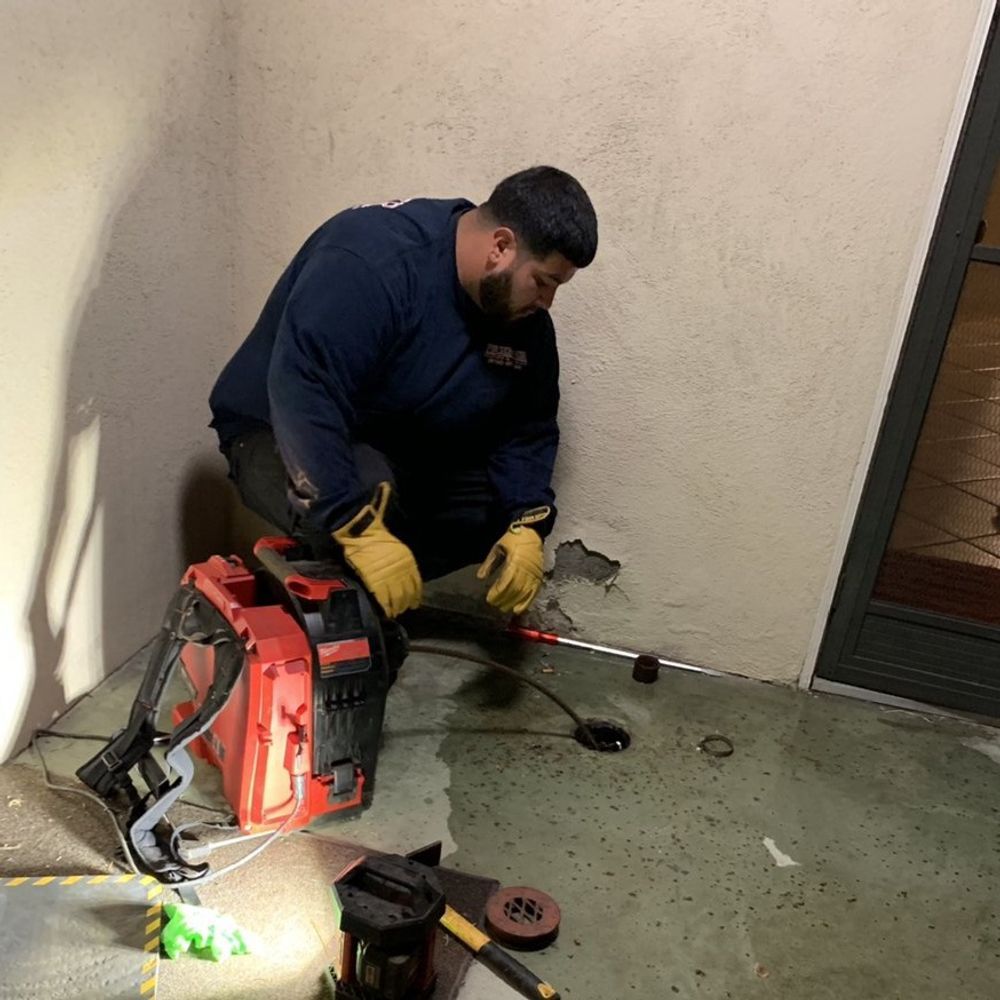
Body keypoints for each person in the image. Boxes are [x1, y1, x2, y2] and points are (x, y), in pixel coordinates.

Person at [209, 166, 598, 620]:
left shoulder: (523, 322)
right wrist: (352, 524)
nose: (548, 302)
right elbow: (305, 389)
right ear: (501, 247)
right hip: (274, 430)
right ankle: (338, 616)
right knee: (368, 489)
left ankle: (367, 589)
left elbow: (526, 427)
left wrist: (526, 522)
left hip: (387, 444)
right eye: (544, 282)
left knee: (498, 508)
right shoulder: (372, 261)